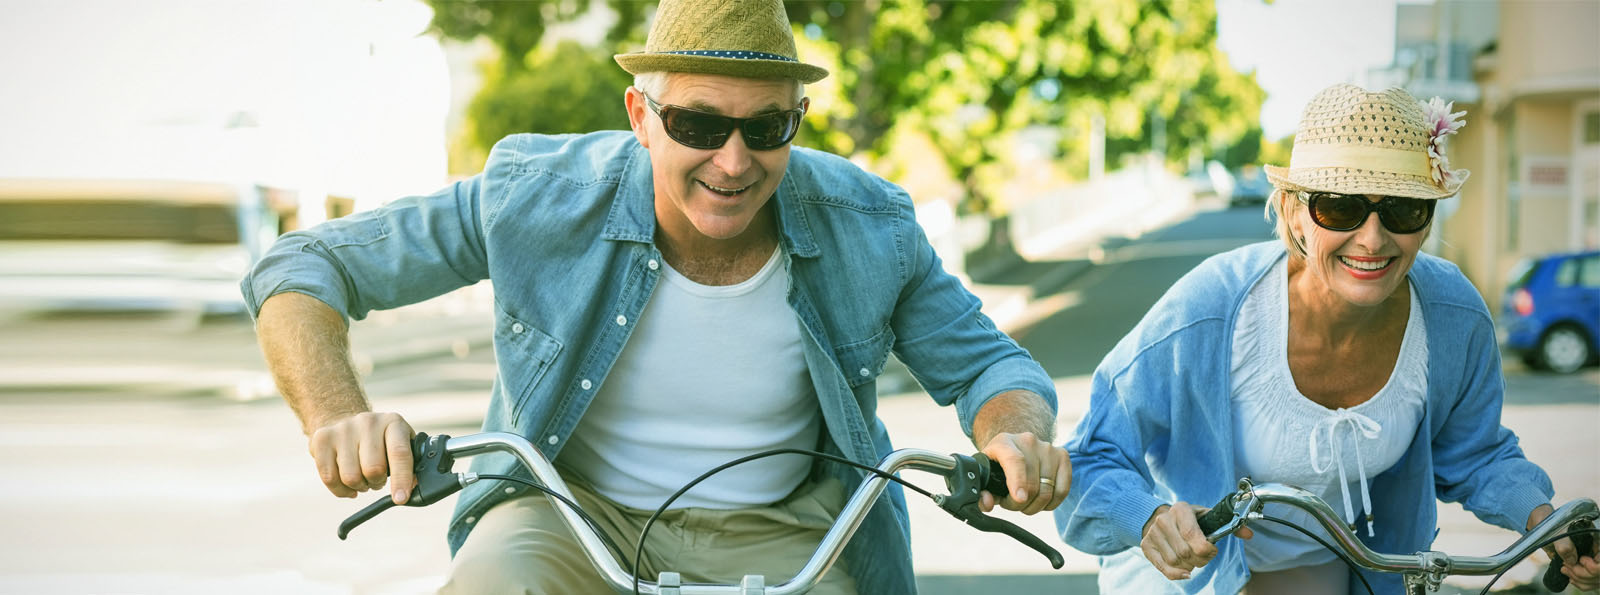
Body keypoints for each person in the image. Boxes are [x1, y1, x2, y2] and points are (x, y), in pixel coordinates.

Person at [241, 0, 1069, 592]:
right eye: (701, 127)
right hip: (572, 517)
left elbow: (990, 367)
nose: (735, 161)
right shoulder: (536, 195)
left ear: (799, 120)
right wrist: (336, 415)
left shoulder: (869, 223)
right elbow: (304, 265)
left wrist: (1015, 439)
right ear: (642, 115)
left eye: (767, 127)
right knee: (493, 579)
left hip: (791, 530)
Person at [1053, 83, 1600, 594]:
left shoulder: (1453, 313)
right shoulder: (1209, 311)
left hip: (1327, 575)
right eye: (1340, 207)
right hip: (1189, 579)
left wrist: (1544, 519)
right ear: (1294, 211)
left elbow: (1476, 452)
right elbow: (1093, 457)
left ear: (1428, 219)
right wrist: (1148, 519)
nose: (1372, 238)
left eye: (1403, 209)